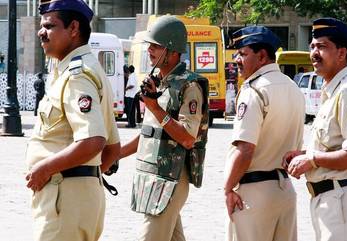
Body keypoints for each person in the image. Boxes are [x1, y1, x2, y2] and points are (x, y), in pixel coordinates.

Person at [25, 0, 120, 240]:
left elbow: (94, 141)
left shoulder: (77, 76)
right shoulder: (88, 69)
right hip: (75, 197)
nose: (41, 32)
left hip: (63, 199)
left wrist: (45, 169)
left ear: (74, 28)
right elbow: (113, 148)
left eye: (49, 26)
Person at [119, 15, 209, 241]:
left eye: (156, 46)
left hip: (171, 180)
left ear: (172, 50)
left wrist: (155, 108)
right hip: (155, 178)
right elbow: (151, 135)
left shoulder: (189, 86)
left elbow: (188, 138)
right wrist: (116, 155)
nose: (149, 50)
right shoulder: (159, 83)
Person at [283, 18, 347, 241]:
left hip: (341, 201)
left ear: (341, 53)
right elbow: (333, 145)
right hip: (327, 199)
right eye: (312, 46)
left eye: (322, 47)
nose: (313, 53)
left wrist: (312, 160)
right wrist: (303, 155)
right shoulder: (332, 92)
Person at [224, 26, 305, 241]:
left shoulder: (255, 90)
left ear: (261, 56)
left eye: (242, 54)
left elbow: (245, 149)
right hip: (285, 191)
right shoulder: (293, 88)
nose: (237, 60)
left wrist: (228, 188)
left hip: (254, 193)